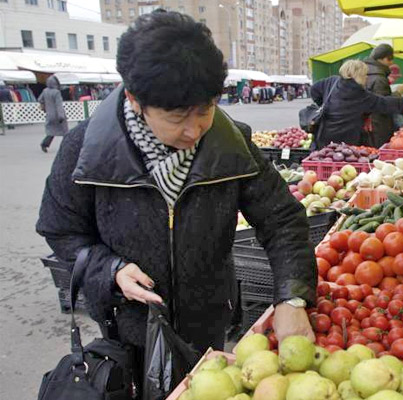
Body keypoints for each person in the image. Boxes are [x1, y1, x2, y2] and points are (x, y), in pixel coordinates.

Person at [36, 10, 316, 386]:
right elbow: (61, 230)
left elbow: (282, 220)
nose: (194, 129)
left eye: (205, 110)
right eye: (177, 116)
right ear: (135, 100)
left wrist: (292, 298)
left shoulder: (231, 144)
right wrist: (110, 269)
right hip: (127, 328)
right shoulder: (85, 149)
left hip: (209, 320)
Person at [310, 60, 403, 149]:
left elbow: (313, 90)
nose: (366, 78)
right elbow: (386, 103)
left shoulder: (332, 81)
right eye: (365, 75)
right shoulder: (359, 94)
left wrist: (326, 106)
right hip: (346, 143)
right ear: (357, 76)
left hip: (324, 136)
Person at [364, 44, 403, 148]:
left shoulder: (366, 72)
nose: (391, 63)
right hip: (378, 126)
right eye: (390, 59)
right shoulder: (379, 78)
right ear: (383, 58)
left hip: (367, 125)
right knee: (378, 156)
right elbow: (382, 104)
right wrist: (398, 93)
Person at [38, 75, 69, 153]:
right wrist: (61, 116)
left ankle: (44, 144)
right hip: (57, 115)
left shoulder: (45, 91)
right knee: (65, 132)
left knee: (51, 132)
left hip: (49, 114)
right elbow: (59, 105)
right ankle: (67, 146)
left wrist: (45, 106)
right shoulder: (56, 92)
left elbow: (40, 99)